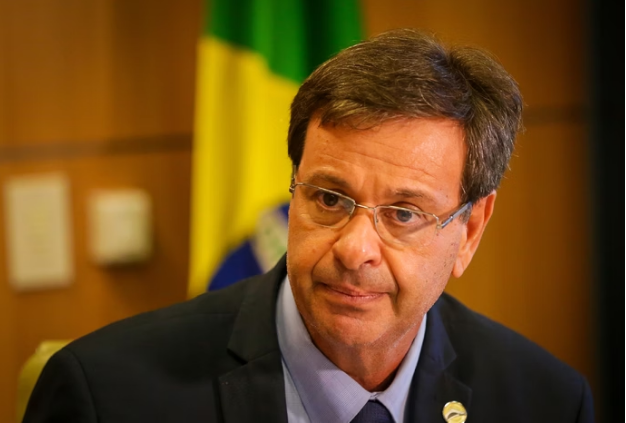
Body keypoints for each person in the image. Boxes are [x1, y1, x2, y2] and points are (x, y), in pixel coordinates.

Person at [23, 28, 594, 423]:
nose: (354, 249)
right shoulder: (108, 396)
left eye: (403, 213)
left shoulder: (545, 402)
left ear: (469, 232)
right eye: (329, 198)